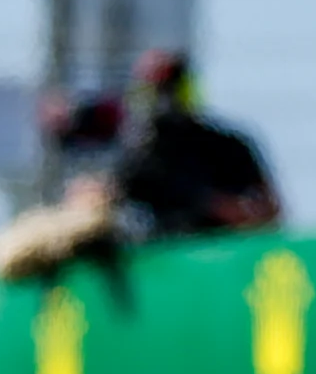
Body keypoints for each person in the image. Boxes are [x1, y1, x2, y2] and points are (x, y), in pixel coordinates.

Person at [110, 50, 280, 238]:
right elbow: (111, 200)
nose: (164, 101)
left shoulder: (227, 146)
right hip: (157, 251)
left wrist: (235, 212)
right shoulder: (137, 157)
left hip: (221, 247)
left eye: (170, 89)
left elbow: (271, 207)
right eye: (157, 91)